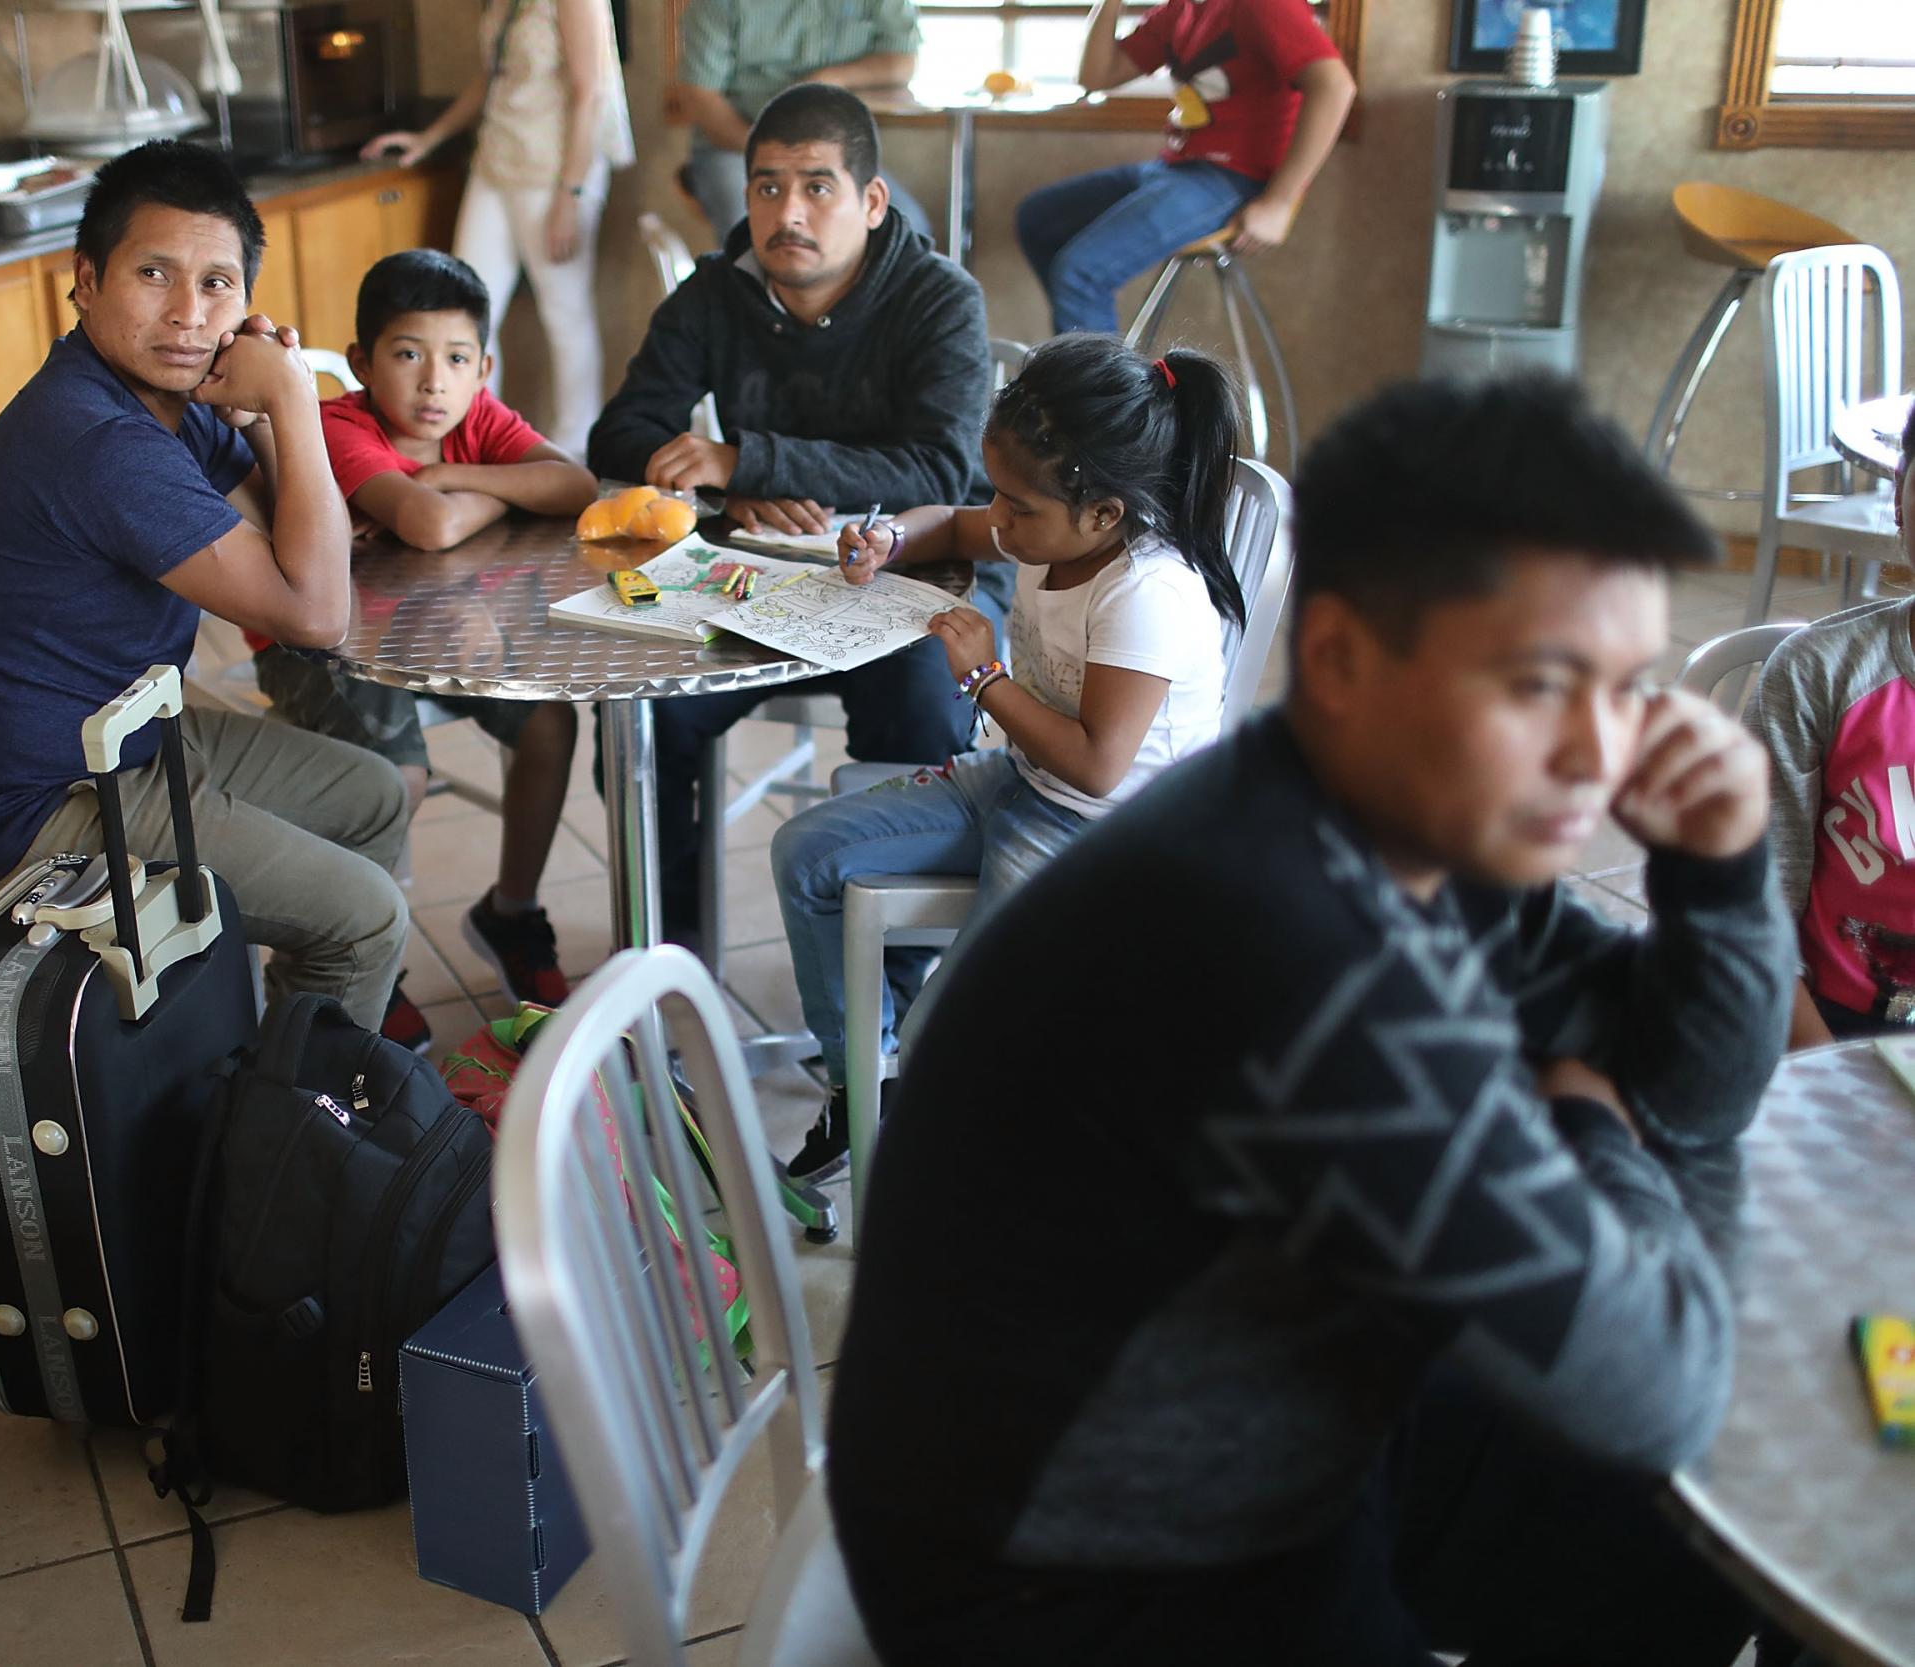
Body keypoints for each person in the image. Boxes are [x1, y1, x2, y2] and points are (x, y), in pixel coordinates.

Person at [829, 374, 1788, 1664]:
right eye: (1539, 685)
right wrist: (1589, 1120)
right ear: (1338, 655)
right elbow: (1663, 1387)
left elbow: (1687, 1088)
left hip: (1201, 1432)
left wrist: (1722, 881)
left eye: (1624, 687)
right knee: (1673, 1484)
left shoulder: (1379, 819)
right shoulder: (1303, 962)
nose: (1595, 757)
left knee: (1663, 1540)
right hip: (1067, 1589)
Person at [0, 140, 410, 1029]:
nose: (187, 313)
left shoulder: (153, 402)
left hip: (129, 740)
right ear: (86, 281)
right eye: (154, 273)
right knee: (367, 917)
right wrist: (297, 402)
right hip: (44, 803)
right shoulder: (100, 440)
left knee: (372, 796)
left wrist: (258, 407)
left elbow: (293, 526)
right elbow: (316, 610)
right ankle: (291, 1144)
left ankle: (308, 1045)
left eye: (218, 284)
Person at [769, 335, 1243, 1183]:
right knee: (807, 853)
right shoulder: (1051, 526)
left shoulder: (1149, 592)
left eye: (1017, 506)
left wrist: (983, 676)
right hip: (1026, 778)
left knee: (953, 1040)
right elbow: (954, 524)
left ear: (1103, 513)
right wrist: (888, 541)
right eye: (1000, 493)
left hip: (1107, 833)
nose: (1000, 517)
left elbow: (1099, 766)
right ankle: (863, 1091)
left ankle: (963, 1159)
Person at [586, 84, 1007, 949]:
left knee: (926, 709)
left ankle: (888, 988)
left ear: (872, 200)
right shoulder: (715, 294)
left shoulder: (939, 299)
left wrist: (747, 458)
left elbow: (939, 468)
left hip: (916, 580)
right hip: (757, 583)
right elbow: (617, 431)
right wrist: (726, 493)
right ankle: (674, 961)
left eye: (818, 185)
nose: (789, 212)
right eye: (767, 186)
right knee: (639, 717)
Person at [255, 249, 598, 1023]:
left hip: (440, 624)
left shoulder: (477, 417)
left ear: (484, 366)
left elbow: (574, 485)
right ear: (360, 364)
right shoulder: (338, 425)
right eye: (408, 355)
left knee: (549, 721)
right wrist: (468, 494)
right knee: (395, 779)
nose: (434, 382)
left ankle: (511, 912)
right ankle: (348, 946)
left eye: (455, 359)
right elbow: (430, 526)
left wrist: (452, 479)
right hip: (318, 643)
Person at [360, 0, 635, 458]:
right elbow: (492, 80)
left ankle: (576, 451)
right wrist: (430, 138)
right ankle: (474, 442)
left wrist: (571, 194)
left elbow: (591, 92)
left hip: (553, 169)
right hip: (496, 160)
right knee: (468, 309)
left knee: (565, 311)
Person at [1015, 0, 1356, 336]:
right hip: (1176, 169)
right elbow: (1095, 75)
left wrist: (1279, 203)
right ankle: (1085, 368)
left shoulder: (1262, 5)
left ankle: (1104, 391)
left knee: (1081, 273)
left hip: (1238, 179)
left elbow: (1335, 86)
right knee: (1038, 219)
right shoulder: (1179, 11)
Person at [1748, 400, 1915, 1048]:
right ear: (1899, 500)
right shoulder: (1816, 676)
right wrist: (1825, 1070)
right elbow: (1753, 917)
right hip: (1829, 1033)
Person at [674, 0, 932, 244]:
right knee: (750, 230)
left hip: (834, 151)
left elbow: (903, 60)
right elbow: (699, 94)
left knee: (907, 227)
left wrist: (832, 78)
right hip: (736, 148)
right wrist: (768, 150)